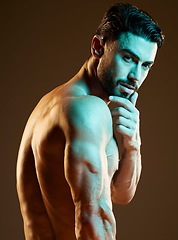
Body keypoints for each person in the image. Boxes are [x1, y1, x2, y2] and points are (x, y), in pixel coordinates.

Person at [16, 2, 164, 239]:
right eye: (128, 58)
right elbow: (92, 218)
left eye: (145, 65)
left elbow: (120, 193)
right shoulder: (89, 111)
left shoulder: (49, 105)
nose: (136, 76)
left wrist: (131, 143)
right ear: (98, 47)